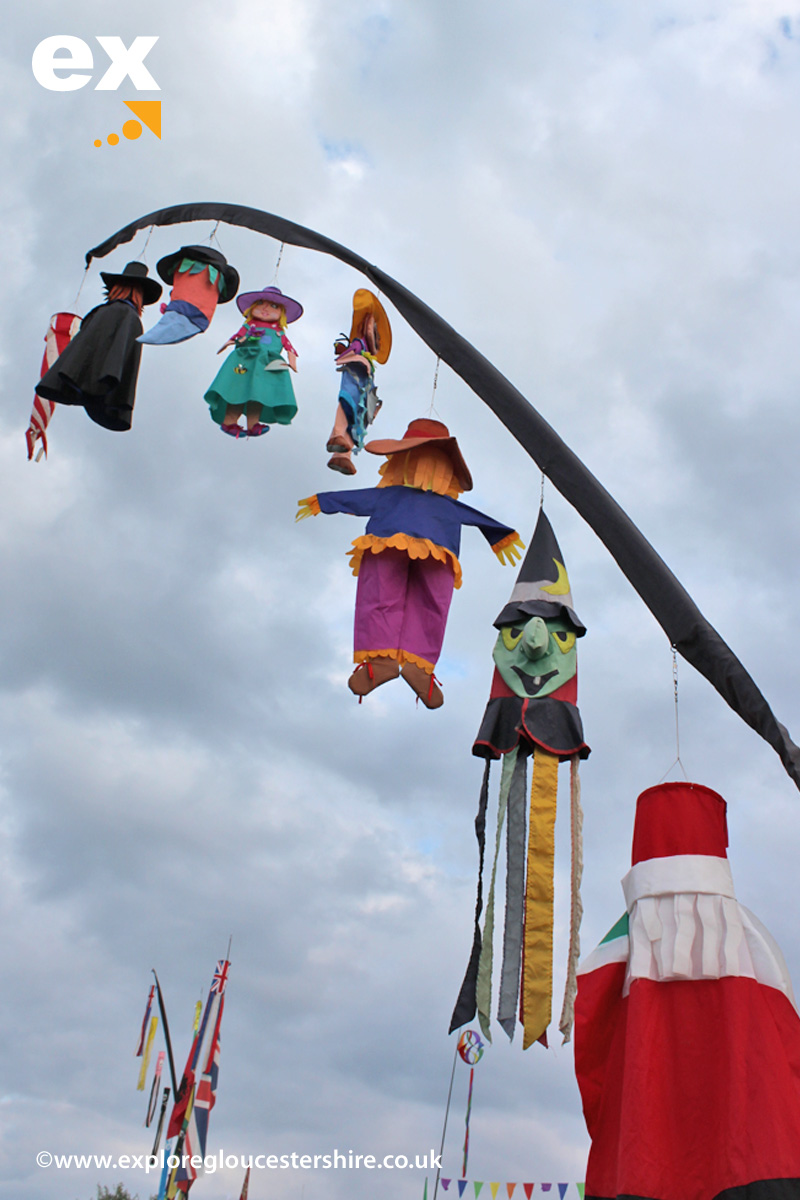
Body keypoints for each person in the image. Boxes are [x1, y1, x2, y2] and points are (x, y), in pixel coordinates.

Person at [297, 417, 523, 707]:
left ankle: (411, 665)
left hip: (415, 548)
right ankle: (388, 661)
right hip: (402, 545)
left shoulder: (413, 500)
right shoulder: (406, 498)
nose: (425, 465)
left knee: (407, 599)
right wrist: (324, 501)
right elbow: (361, 499)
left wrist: (500, 535)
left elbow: (363, 499)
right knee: (404, 598)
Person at [35, 261, 162, 432]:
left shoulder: (113, 312)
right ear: (139, 295)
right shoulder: (131, 318)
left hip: (90, 378)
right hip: (102, 385)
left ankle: (92, 385)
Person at [204, 285, 302, 438]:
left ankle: (253, 424)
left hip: (265, 365)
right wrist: (235, 341)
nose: (265, 308)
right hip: (245, 360)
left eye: (274, 306)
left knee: (258, 394)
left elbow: (289, 347)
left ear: (281, 313)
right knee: (237, 390)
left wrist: (292, 360)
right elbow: (238, 337)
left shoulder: (279, 332)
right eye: (261, 303)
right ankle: (229, 422)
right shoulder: (249, 326)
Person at [326, 289, 392, 475]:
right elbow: (346, 356)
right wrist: (349, 354)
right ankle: (337, 435)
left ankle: (343, 456)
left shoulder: (369, 356)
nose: (377, 339)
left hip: (363, 390)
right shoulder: (359, 344)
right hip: (353, 383)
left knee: (356, 421)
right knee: (346, 406)